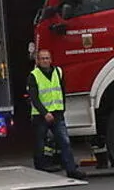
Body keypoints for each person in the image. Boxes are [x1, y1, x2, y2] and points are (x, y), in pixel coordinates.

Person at [27, 49, 86, 180]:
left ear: (51, 59)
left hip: (57, 113)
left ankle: (71, 170)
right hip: (40, 116)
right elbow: (34, 98)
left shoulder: (58, 72)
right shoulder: (34, 75)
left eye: (47, 58)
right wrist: (44, 113)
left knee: (65, 141)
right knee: (40, 144)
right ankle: (39, 171)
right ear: (37, 61)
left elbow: (62, 90)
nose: (45, 61)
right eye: (42, 58)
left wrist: (62, 108)